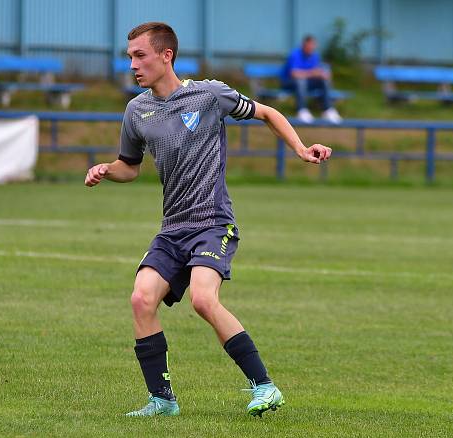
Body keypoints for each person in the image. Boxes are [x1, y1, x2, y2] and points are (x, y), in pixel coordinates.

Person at [84, 22, 332, 417]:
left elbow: (266, 112)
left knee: (202, 298)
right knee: (141, 298)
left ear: (166, 56)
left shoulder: (209, 94)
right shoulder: (137, 111)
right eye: (129, 56)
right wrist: (104, 170)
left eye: (140, 55)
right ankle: (162, 401)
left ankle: (265, 386)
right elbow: (129, 167)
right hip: (173, 228)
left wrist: (301, 149)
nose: (132, 64)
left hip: (213, 222)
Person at [281, 35, 342, 124]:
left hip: (306, 83)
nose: (311, 48)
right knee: (301, 81)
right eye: (309, 46)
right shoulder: (295, 54)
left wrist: (322, 74)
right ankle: (301, 110)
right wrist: (312, 73)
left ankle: (327, 110)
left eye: (313, 46)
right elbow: (294, 74)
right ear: (304, 45)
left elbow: (316, 71)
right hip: (288, 83)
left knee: (323, 80)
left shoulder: (314, 56)